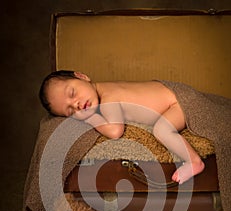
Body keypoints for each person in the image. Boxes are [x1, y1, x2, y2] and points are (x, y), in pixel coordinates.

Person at [39, 70, 205, 184]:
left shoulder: (109, 97)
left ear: (82, 76)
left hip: (179, 102)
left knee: (162, 130)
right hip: (174, 96)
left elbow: (115, 131)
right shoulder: (106, 87)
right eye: (70, 111)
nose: (76, 104)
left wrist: (91, 119)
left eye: (72, 93)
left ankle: (194, 161)